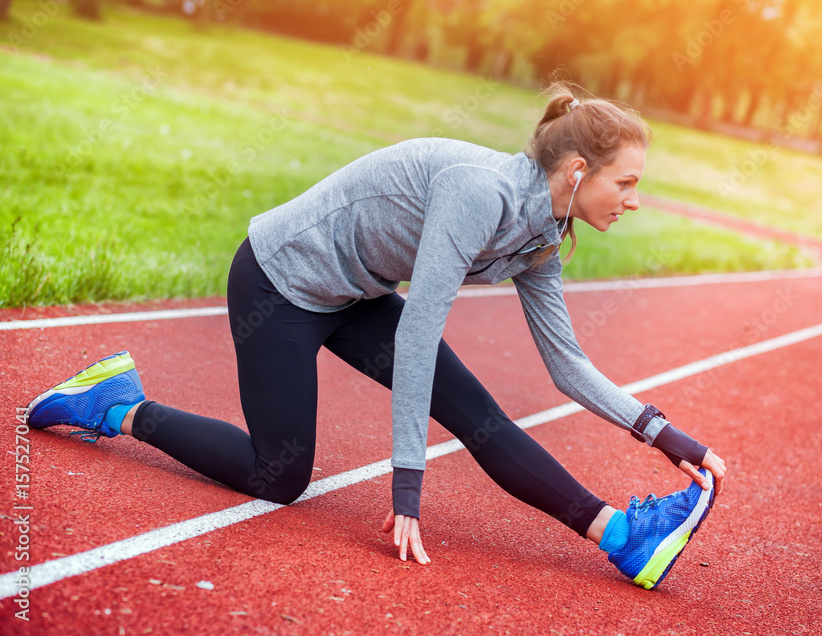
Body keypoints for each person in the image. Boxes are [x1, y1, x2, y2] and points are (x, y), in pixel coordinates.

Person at [20, 82, 726, 590]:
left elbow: (568, 366)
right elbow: (420, 332)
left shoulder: (542, 235)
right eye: (626, 184)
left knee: (479, 415)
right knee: (279, 477)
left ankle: (622, 539)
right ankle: (117, 403)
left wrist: (667, 436)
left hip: (355, 295)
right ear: (577, 172)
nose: (633, 201)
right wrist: (407, 489)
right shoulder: (478, 191)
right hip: (281, 283)